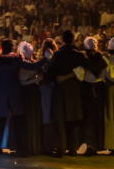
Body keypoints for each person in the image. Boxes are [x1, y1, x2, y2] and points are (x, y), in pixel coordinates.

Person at [0, 39, 50, 157]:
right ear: (12, 48)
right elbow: (33, 66)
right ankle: (22, 149)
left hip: (0, 92)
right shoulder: (16, 59)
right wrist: (46, 58)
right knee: (19, 122)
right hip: (14, 92)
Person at [45, 29, 87, 157]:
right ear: (73, 40)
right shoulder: (80, 55)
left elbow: (50, 71)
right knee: (74, 119)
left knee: (60, 119)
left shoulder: (57, 55)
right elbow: (85, 69)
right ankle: (73, 148)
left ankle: (61, 148)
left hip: (60, 89)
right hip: (74, 90)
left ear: (62, 40)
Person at [73, 36, 108, 157]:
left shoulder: (83, 61)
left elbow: (79, 76)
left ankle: (90, 145)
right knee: (98, 117)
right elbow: (105, 75)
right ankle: (98, 144)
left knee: (89, 118)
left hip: (87, 90)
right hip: (100, 90)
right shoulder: (103, 60)